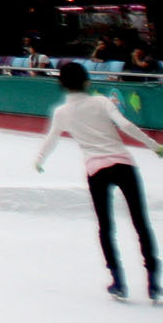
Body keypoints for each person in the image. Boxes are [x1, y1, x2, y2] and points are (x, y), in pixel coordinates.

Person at [34, 61, 161, 301]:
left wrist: (40, 160)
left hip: (96, 170)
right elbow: (125, 125)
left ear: (61, 84)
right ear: (87, 81)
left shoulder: (62, 113)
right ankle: (154, 283)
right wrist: (155, 146)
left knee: (106, 226)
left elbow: (51, 140)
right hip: (124, 165)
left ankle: (118, 282)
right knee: (140, 222)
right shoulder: (102, 102)